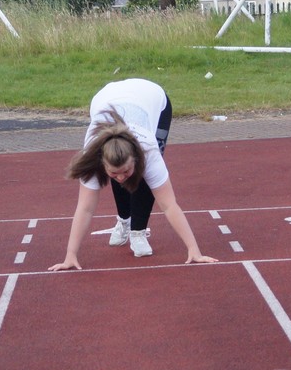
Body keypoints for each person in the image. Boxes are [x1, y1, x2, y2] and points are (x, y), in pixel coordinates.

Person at [48, 78, 218, 271]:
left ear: (136, 157)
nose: (121, 178)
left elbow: (169, 205)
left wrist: (194, 249)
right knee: (120, 171)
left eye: (126, 170)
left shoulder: (148, 151)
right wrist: (70, 255)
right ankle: (124, 220)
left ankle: (138, 231)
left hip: (153, 97)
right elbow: (85, 208)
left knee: (145, 176)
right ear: (101, 162)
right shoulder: (92, 155)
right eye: (113, 173)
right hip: (107, 96)